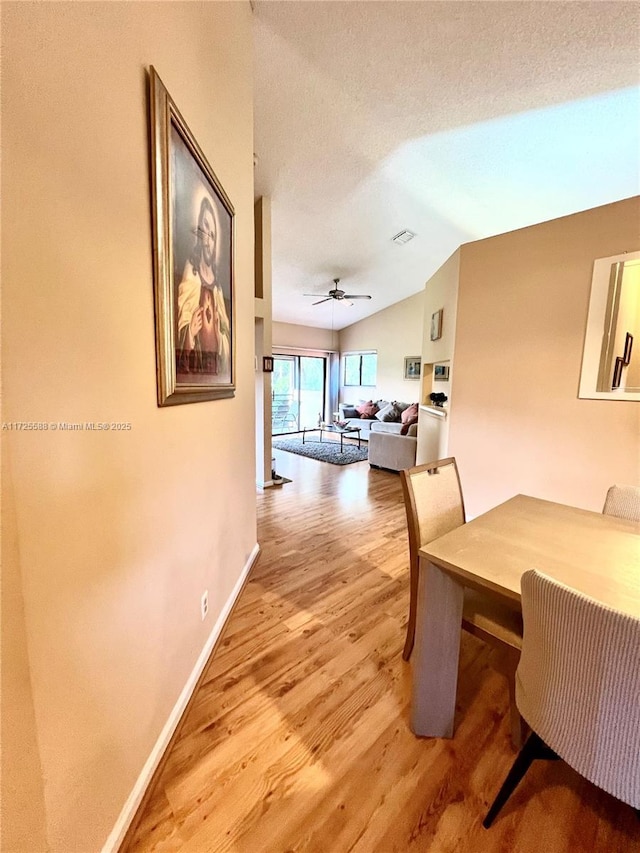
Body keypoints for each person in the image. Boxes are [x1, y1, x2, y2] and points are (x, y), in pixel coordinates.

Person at [176, 194, 230, 378]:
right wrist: (190, 332)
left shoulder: (219, 289)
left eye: (212, 235)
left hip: (214, 369)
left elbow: (226, 335)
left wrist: (220, 329)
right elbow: (182, 319)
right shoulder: (190, 272)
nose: (207, 240)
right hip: (195, 368)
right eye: (205, 229)